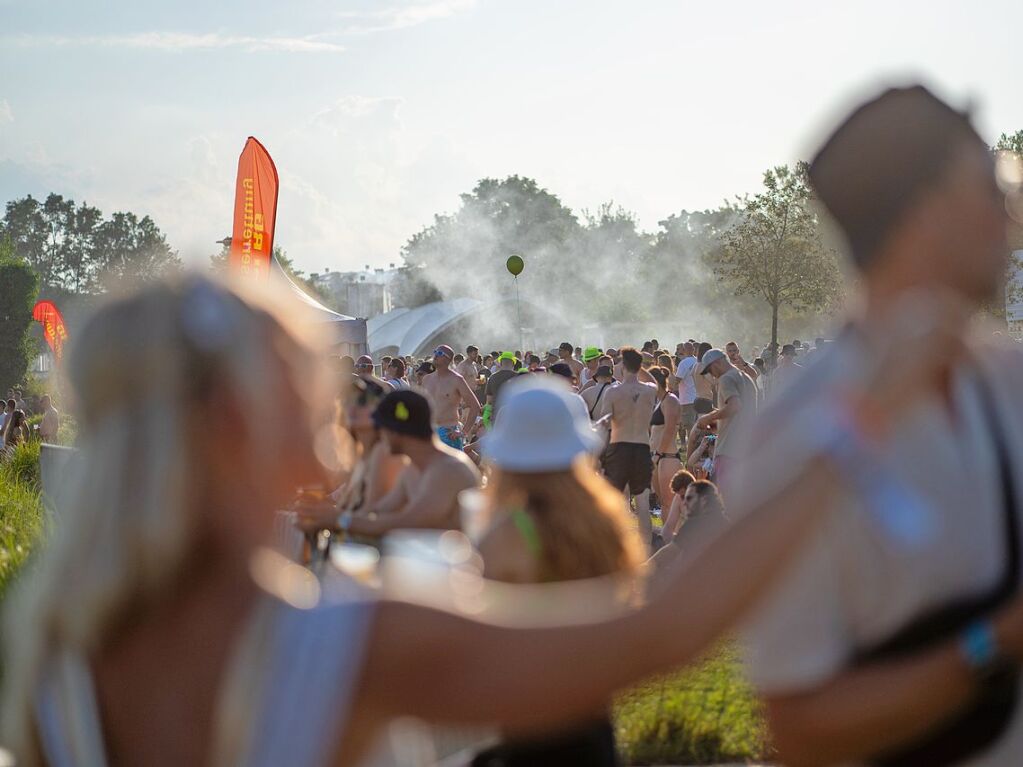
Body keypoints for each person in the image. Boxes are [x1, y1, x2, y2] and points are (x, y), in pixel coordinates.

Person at [11, 272, 1023, 767]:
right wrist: (854, 423)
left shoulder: (57, 651)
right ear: (236, 424)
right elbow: (664, 627)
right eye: (315, 391)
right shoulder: (338, 642)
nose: (343, 416)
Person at [739, 84, 1023, 767]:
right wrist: (994, 643)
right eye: (991, 190)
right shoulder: (789, 430)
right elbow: (800, 728)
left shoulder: (1009, 379)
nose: (1010, 216)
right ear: (926, 214)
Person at [473, 376, 645, 766]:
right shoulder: (604, 518)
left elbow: (479, 629)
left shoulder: (509, 532)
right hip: (593, 711)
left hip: (531, 709)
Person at [340, 389, 481, 538]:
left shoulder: (449, 469)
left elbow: (409, 521)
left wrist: (341, 521)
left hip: (452, 559)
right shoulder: (412, 468)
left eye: (383, 427)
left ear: (396, 430)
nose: (380, 434)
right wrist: (332, 516)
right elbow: (379, 510)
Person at [597, 347, 657, 548]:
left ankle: (616, 549)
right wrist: (639, 366)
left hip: (619, 448)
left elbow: (605, 420)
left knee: (616, 503)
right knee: (642, 506)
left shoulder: (613, 392)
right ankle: (646, 554)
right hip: (641, 447)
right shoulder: (650, 389)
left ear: (623, 365)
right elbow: (656, 383)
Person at [692, 348, 756, 492]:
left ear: (717, 363)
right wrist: (716, 414)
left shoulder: (726, 378)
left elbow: (734, 406)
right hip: (746, 446)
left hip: (729, 448)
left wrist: (709, 417)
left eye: (710, 370)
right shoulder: (746, 377)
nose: (712, 375)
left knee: (724, 499)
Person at [421, 344, 480, 450]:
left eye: (439, 353)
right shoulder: (426, 379)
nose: (435, 355)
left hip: (448, 433)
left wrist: (463, 432)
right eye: (435, 352)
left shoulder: (456, 380)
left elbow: (475, 406)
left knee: (450, 466)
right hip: (429, 432)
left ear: (448, 359)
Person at [648, 366, 683, 515]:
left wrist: (657, 455)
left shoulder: (670, 400)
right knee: (664, 504)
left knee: (670, 504)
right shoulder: (659, 401)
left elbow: (669, 430)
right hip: (658, 457)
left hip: (667, 457)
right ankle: (668, 537)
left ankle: (677, 536)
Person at [485, 352, 519, 424]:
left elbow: (489, 401)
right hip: (514, 416)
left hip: (496, 416)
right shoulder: (519, 377)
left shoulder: (492, 377)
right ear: (513, 364)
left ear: (500, 363)